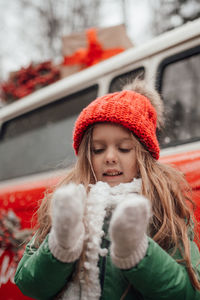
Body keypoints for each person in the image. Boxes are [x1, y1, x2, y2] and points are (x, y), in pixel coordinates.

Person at [14, 79, 200, 300]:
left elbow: (189, 292)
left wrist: (138, 251)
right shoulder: (69, 205)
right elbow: (29, 284)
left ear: (143, 153)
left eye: (123, 148)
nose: (110, 158)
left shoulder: (163, 207)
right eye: (98, 149)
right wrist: (61, 246)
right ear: (86, 155)